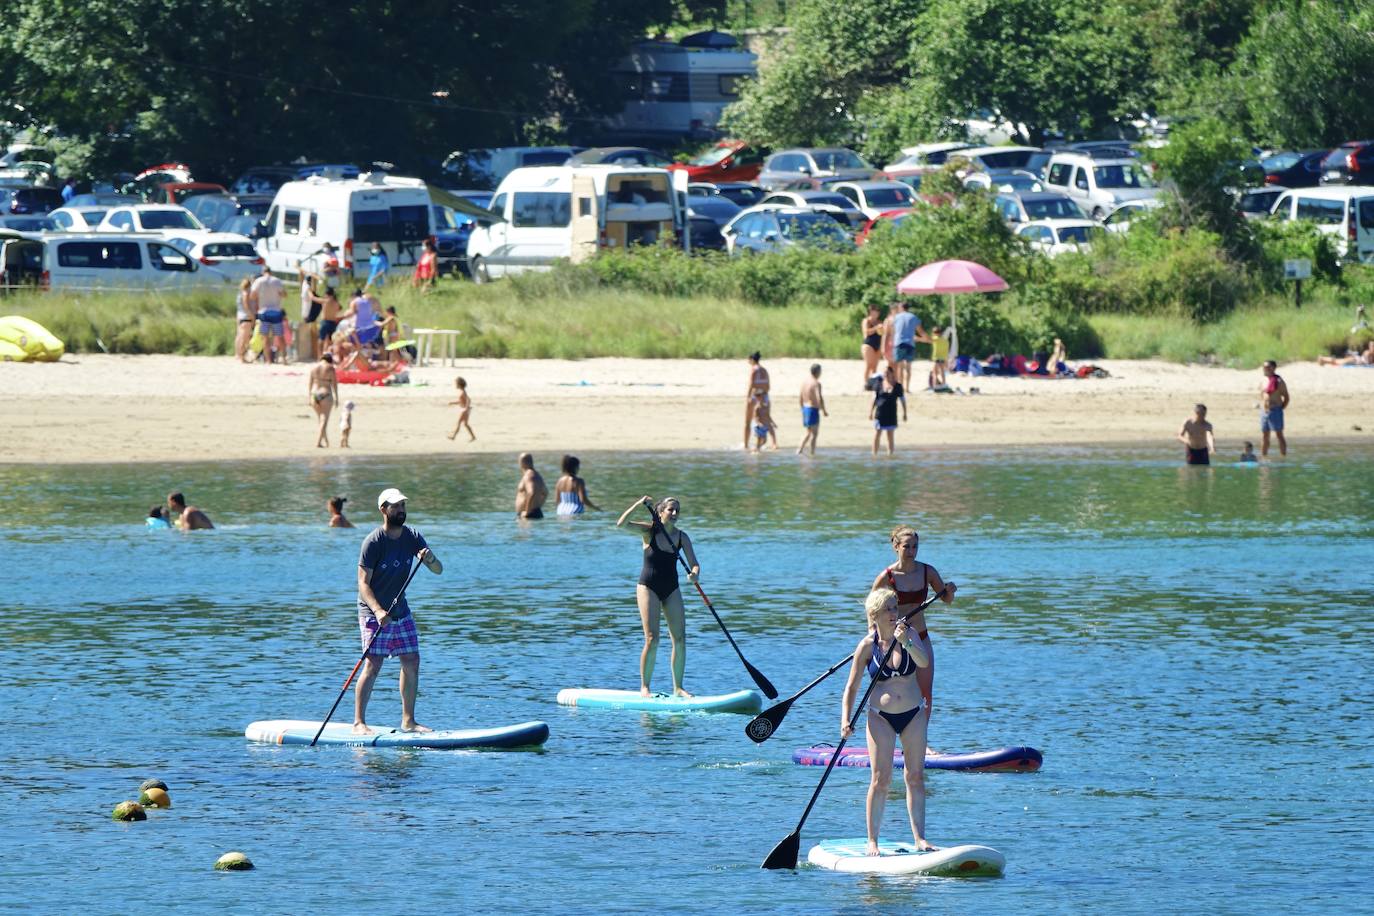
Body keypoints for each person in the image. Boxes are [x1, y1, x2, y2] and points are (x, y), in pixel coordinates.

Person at [840, 587, 934, 857]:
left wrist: (907, 643)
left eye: (896, 607)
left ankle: (920, 839)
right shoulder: (867, 646)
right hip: (880, 718)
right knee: (880, 779)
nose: (895, 613)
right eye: (889, 609)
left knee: (914, 777)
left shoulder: (909, 634)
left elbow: (923, 661)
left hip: (913, 714)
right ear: (875, 615)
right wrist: (845, 720)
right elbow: (852, 687)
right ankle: (872, 841)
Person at [354, 487, 443, 734]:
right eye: (395, 506)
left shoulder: (413, 536)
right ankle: (359, 723)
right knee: (373, 665)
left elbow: (438, 570)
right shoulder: (373, 542)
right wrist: (378, 611)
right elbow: (362, 583)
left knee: (412, 660)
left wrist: (430, 558)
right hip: (373, 612)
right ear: (383, 510)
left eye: (403, 505)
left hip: (401, 611)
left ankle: (408, 721)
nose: (401, 510)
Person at [867, 525, 957, 732]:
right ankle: (887, 732)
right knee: (894, 690)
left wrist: (950, 591)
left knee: (925, 692)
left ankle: (921, 741)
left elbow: (947, 599)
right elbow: (871, 608)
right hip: (893, 642)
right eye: (907, 547)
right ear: (896, 547)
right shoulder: (886, 576)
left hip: (920, 637)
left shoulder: (928, 572)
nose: (912, 551)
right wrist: (872, 636)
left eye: (915, 547)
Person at [616, 496, 700, 697]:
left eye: (677, 511)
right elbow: (621, 524)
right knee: (652, 639)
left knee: (680, 639)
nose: (674, 514)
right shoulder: (649, 531)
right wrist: (637, 504)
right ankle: (645, 687)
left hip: (671, 588)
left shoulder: (682, 537)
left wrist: (695, 574)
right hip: (648, 587)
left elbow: (694, 563)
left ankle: (678, 688)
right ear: (660, 512)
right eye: (671, 510)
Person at [886, 301, 930, 390]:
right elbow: (920, 330)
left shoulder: (896, 317)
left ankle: (900, 386)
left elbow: (892, 330)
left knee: (900, 367)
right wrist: (928, 339)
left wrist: (890, 341)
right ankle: (907, 388)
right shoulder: (913, 317)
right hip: (910, 343)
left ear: (901, 307)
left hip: (899, 343)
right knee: (908, 367)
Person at [249, 266, 287, 364]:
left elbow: (252, 296)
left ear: (263, 272)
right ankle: (284, 359)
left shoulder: (259, 281)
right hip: (276, 311)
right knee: (280, 336)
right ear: (271, 272)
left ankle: (268, 360)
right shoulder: (277, 281)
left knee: (265, 337)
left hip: (263, 311)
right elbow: (284, 295)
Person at [869, 365, 906, 456]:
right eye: (884, 373)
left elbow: (902, 400)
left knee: (890, 435)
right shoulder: (878, 383)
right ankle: (874, 454)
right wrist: (870, 412)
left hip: (891, 413)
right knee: (877, 433)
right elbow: (874, 398)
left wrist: (905, 413)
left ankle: (890, 455)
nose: (886, 374)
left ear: (892, 373)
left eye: (887, 373)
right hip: (880, 413)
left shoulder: (897, 386)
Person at [1259, 360, 1290, 457]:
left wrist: (1280, 408)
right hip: (1265, 411)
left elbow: (1286, 397)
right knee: (1265, 435)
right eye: (1264, 367)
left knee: (1279, 435)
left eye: (1267, 367)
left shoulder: (1279, 381)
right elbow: (1262, 395)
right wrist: (1265, 405)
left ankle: (1283, 456)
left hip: (1275, 410)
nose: (1265, 369)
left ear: (1273, 368)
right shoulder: (1263, 380)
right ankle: (1264, 456)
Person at [797, 363, 829, 455]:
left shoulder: (804, 382)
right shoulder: (816, 383)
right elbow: (819, 397)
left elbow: (800, 397)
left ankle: (799, 450)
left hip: (805, 408)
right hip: (813, 409)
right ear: (818, 372)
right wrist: (824, 410)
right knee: (814, 434)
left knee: (808, 432)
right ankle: (812, 453)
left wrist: (802, 409)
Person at [309, 352, 339, 448]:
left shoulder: (314, 367)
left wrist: (309, 397)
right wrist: (336, 397)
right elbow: (334, 384)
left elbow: (310, 383)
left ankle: (326, 442)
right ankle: (318, 442)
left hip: (314, 394)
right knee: (324, 420)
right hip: (325, 393)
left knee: (321, 420)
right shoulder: (330, 368)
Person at [743, 352, 770, 449]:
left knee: (748, 422)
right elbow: (768, 386)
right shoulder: (764, 370)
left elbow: (751, 384)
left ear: (752, 360)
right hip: (764, 395)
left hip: (755, 395)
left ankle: (746, 444)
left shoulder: (754, 370)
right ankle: (761, 442)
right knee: (764, 419)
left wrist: (748, 397)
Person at [298, 263, 322, 359]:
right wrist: (323, 301)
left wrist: (300, 269)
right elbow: (312, 297)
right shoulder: (308, 288)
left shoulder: (304, 285)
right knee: (311, 330)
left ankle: (313, 352)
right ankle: (313, 352)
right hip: (308, 309)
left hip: (306, 309)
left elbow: (302, 275)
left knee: (309, 328)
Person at [515, 453, 548, 519]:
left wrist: (527, 511)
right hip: (534, 513)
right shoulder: (536, 475)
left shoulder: (529, 475)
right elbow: (545, 493)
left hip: (528, 515)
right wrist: (538, 506)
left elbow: (531, 492)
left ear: (522, 463)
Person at [313, 286, 344, 354]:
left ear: (327, 294)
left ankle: (320, 356)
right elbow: (340, 309)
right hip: (333, 322)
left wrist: (309, 292)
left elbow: (313, 298)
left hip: (325, 322)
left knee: (321, 339)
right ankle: (328, 355)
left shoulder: (325, 301)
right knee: (330, 341)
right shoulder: (337, 303)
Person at [860, 305, 884, 386]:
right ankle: (866, 383)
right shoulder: (866, 321)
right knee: (868, 365)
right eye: (874, 312)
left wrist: (882, 329)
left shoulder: (880, 322)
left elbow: (882, 334)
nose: (875, 314)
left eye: (877, 312)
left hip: (877, 344)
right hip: (868, 344)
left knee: (875, 366)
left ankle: (873, 383)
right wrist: (876, 328)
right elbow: (866, 332)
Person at [234, 277, 256, 363]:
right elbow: (246, 305)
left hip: (240, 316)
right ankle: (241, 356)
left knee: (239, 336)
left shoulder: (240, 293)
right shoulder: (246, 293)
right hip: (246, 317)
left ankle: (238, 354)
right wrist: (251, 316)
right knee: (244, 337)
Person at [447, 377, 475, 441]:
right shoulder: (463, 392)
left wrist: (466, 408)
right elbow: (461, 401)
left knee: (459, 422)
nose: (455, 385)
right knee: (465, 424)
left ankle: (453, 436)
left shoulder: (463, 392)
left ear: (459, 385)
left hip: (464, 410)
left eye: (456, 384)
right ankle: (473, 437)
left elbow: (468, 399)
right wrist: (453, 403)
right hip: (466, 410)